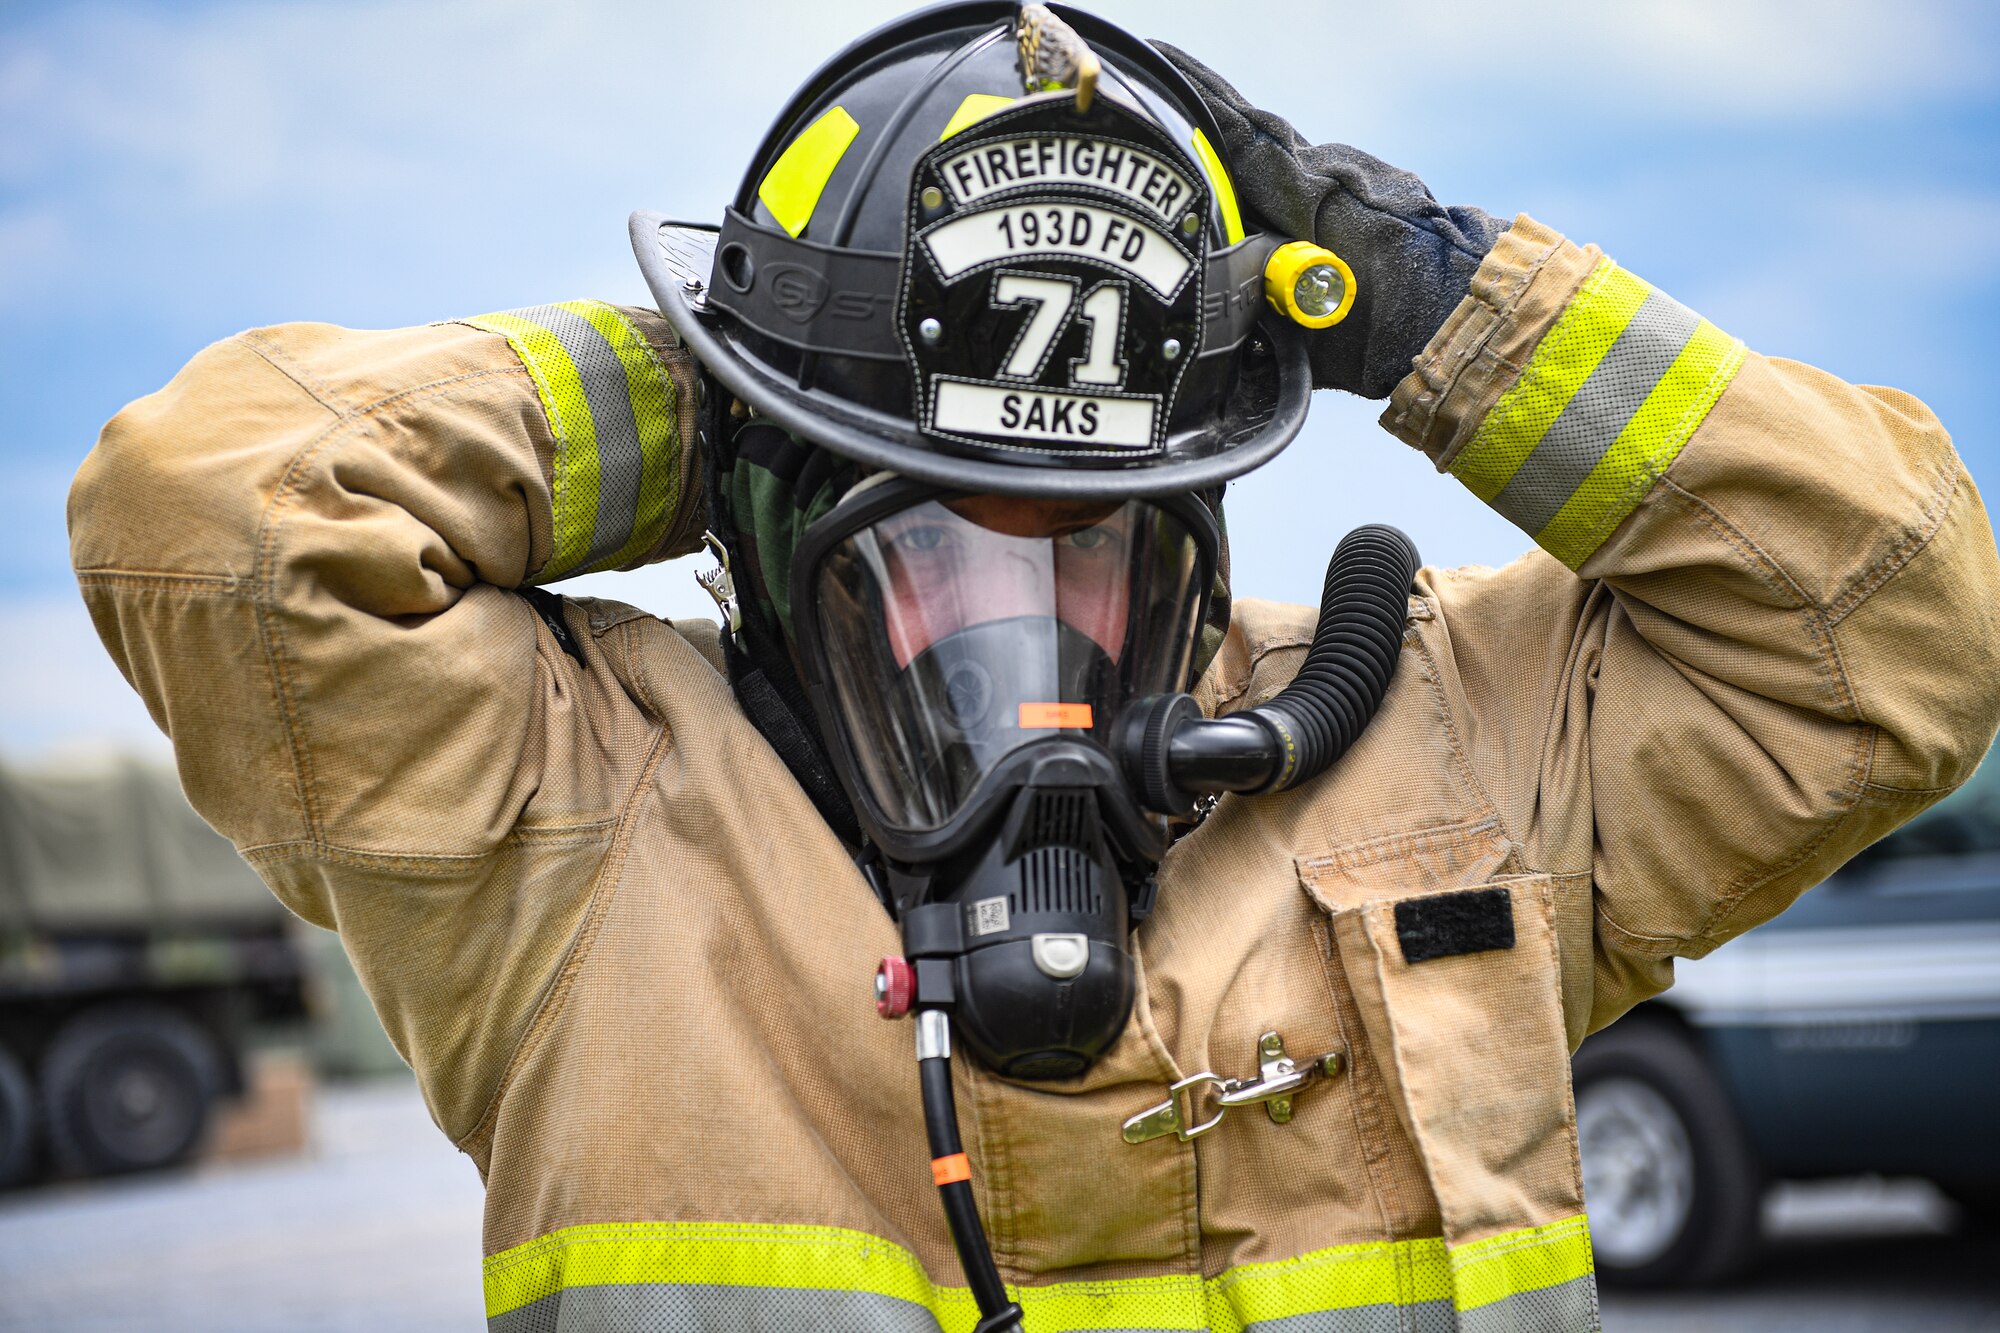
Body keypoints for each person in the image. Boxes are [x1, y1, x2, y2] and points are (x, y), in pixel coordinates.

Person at [66, 5, 2000, 1332]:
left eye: (1086, 537)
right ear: (768, 532)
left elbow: (1897, 616)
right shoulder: (575, 821)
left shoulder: (1439, 735)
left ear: (1194, 526)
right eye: (923, 543)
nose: (1015, 631)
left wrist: (1422, 300)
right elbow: (216, 518)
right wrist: (767, 358)